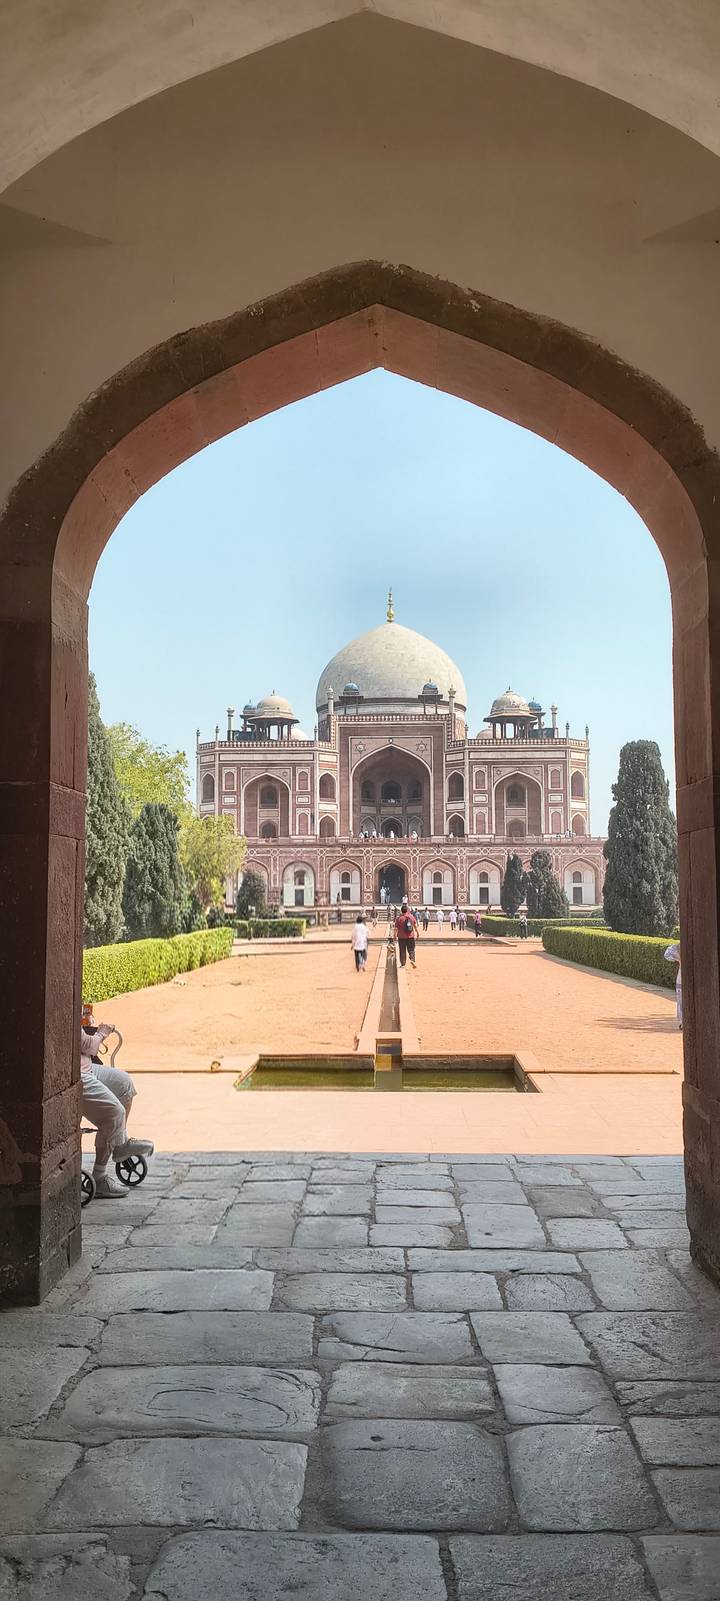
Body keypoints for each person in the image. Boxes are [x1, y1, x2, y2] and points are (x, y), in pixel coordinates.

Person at [80, 1013, 154, 1199]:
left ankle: (120, 1143)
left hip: (87, 1066)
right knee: (115, 1113)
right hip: (78, 1073)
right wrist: (101, 1033)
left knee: (124, 1084)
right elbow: (90, 1046)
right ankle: (100, 1174)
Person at [394, 900, 419, 968]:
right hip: (410, 936)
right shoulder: (411, 917)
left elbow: (396, 928)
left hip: (401, 937)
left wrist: (394, 936)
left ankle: (403, 964)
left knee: (402, 950)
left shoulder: (399, 918)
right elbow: (415, 925)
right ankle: (412, 960)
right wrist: (417, 933)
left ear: (401, 911)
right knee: (411, 949)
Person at [664, 940, 682, 1029]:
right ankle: (682, 1021)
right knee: (681, 1001)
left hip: (683, 978)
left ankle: (683, 1021)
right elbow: (667, 954)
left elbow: (667, 954)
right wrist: (678, 959)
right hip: (681, 978)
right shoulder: (678, 947)